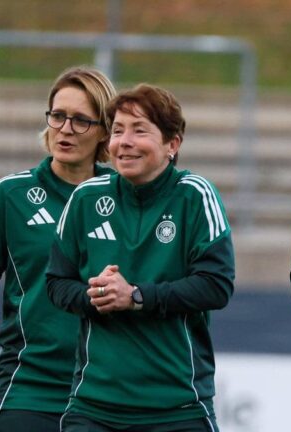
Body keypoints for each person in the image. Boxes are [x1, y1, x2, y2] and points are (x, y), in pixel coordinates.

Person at [0, 66, 117, 432]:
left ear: (105, 132)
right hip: (29, 390)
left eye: (81, 120)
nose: (65, 128)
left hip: (107, 393)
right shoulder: (10, 195)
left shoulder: (124, 195)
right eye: (58, 115)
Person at [46, 83, 234, 432]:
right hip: (92, 407)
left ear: (172, 144)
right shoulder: (87, 198)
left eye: (139, 130)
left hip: (177, 407)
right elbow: (57, 283)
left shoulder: (194, 195)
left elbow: (216, 286)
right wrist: (97, 295)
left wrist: (135, 296)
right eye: (118, 131)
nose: (125, 141)